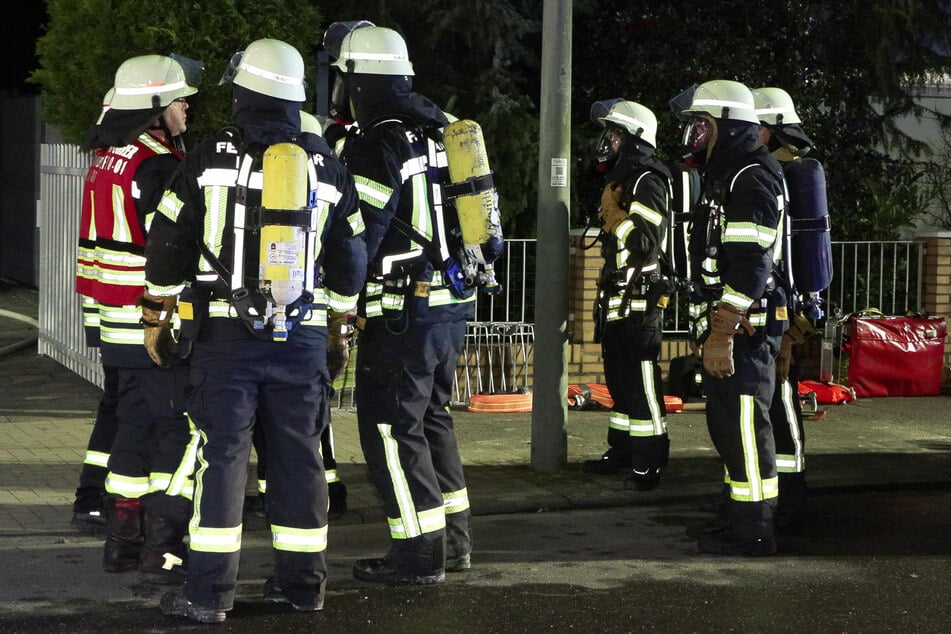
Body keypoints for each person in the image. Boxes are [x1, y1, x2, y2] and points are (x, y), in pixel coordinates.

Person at [147, 39, 366, 623]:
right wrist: (340, 323)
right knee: (299, 459)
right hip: (302, 340)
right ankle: (301, 588)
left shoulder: (210, 156)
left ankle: (207, 594)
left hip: (225, 340)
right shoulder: (325, 163)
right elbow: (351, 256)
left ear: (245, 90)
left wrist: (156, 313)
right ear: (293, 95)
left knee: (224, 459)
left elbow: (168, 239)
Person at [328, 23, 499, 584]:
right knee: (432, 422)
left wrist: (341, 307)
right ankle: (455, 544)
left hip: (404, 315)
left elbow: (363, 235)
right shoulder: (444, 127)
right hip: (453, 305)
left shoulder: (379, 139)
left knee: (390, 431)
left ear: (362, 81)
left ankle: (417, 555)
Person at [74, 54, 202, 582]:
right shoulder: (155, 164)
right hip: (152, 323)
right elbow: (168, 250)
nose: (187, 109)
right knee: (178, 430)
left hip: (113, 322)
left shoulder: (110, 157)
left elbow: (93, 248)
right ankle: (162, 551)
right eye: (179, 101)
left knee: (131, 431)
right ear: (154, 108)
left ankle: (121, 545)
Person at [678, 80, 787, 555]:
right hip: (729, 329)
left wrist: (722, 330)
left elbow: (750, 261)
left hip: (744, 331)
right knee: (729, 429)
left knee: (745, 428)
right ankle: (736, 517)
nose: (696, 134)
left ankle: (755, 530)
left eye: (703, 124)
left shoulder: (751, 175)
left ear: (728, 125)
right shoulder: (730, 174)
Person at [245, 111, 350, 523]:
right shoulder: (329, 179)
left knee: (276, 423)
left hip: (278, 318)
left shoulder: (280, 178)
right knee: (309, 420)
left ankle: (280, 496)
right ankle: (325, 490)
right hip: (316, 320)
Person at [581, 100, 672, 491]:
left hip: (641, 302)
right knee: (619, 382)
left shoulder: (648, 179)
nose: (608, 142)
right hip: (620, 300)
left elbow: (646, 244)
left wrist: (617, 219)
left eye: (616, 134)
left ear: (635, 140)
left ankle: (649, 461)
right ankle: (622, 451)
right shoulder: (625, 180)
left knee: (642, 384)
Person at [752, 86, 826, 530]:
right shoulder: (781, 173)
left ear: (768, 129)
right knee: (776, 398)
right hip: (789, 307)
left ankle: (792, 489)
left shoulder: (780, 175)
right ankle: (784, 489)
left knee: (781, 396)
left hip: (784, 309)